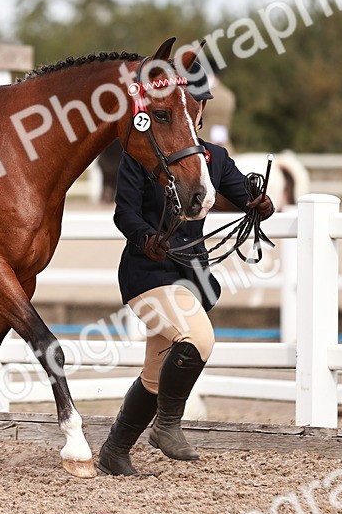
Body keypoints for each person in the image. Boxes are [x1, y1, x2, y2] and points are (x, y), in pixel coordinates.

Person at [97, 135, 274, 476]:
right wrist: (146, 238)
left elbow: (246, 198)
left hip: (190, 278)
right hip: (147, 274)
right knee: (198, 339)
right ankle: (167, 425)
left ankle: (114, 452)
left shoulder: (216, 157)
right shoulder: (139, 155)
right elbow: (125, 213)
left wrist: (263, 205)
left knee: (154, 377)